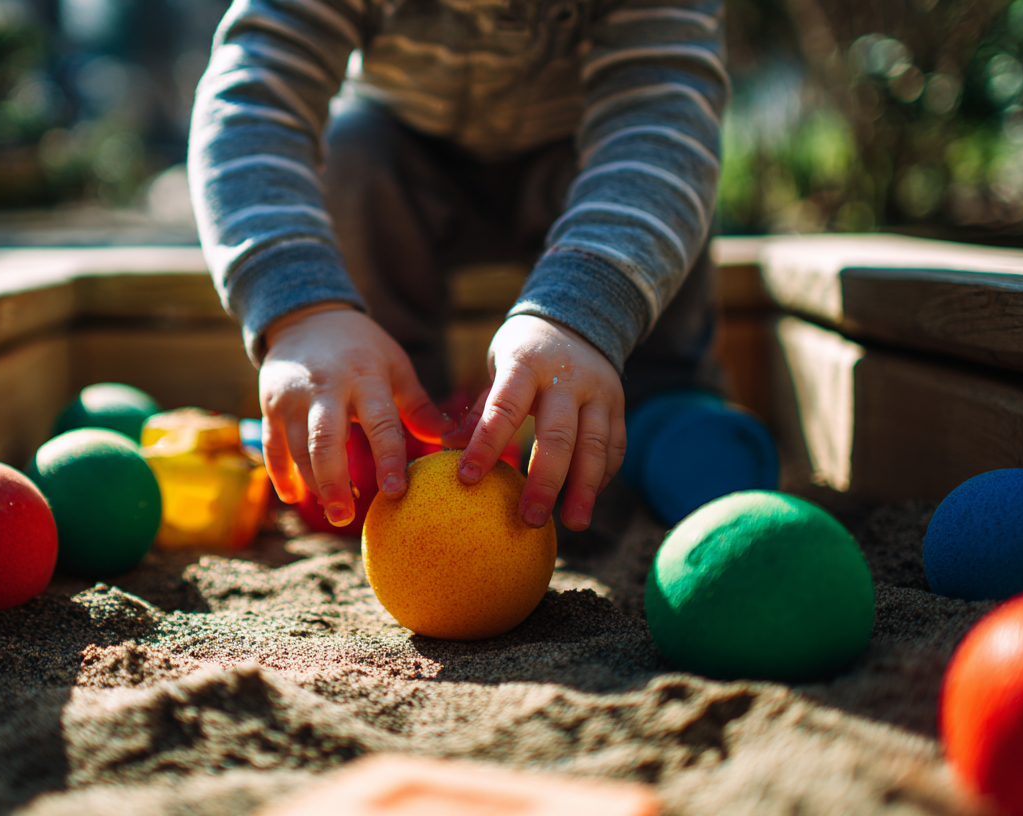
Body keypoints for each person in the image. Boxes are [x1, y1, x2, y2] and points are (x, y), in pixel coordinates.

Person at [189, 0, 727, 533]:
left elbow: (663, 120)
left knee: (663, 187)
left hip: (589, 171)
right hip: (407, 160)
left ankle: (660, 408)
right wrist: (302, 309)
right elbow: (254, 100)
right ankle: (393, 421)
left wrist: (583, 312)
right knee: (355, 155)